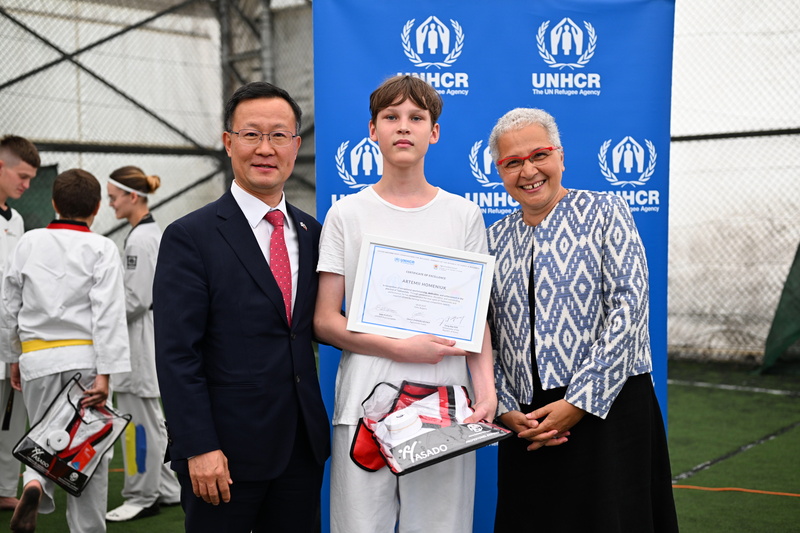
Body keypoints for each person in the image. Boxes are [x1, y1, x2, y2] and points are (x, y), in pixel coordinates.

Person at [314, 74, 497, 533]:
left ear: (433, 132)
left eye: (416, 117)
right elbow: (323, 321)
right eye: (391, 116)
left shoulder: (463, 215)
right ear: (372, 130)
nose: (403, 127)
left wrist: (487, 390)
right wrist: (400, 348)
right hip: (363, 402)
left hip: (446, 403)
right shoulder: (346, 214)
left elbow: (475, 320)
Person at [485, 107, 678, 532]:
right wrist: (503, 407)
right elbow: (485, 335)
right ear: (498, 171)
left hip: (609, 411)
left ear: (561, 156)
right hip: (529, 423)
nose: (529, 170)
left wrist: (579, 402)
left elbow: (630, 307)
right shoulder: (493, 239)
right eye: (512, 162)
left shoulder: (606, 211)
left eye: (539, 155)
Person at [153, 81, 330, 533]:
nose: (265, 149)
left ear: (296, 145)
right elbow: (177, 353)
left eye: (278, 136)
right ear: (228, 142)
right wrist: (199, 446)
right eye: (251, 135)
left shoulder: (312, 232)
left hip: (301, 449)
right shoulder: (190, 236)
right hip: (223, 455)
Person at [0, 168, 131, 533]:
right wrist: (106, 374)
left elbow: (8, 306)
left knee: (44, 434)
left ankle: (35, 483)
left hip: (37, 358)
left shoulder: (28, 242)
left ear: (55, 203)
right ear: (97, 207)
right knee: (86, 451)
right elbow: (108, 314)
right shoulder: (102, 248)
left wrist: (13, 357)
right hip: (87, 361)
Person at [104, 166, 181, 522]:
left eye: (114, 197)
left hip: (138, 342)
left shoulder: (140, 238)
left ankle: (140, 495)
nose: (110, 203)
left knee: (137, 423)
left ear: (132, 197)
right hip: (148, 337)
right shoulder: (148, 233)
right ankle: (166, 489)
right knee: (151, 421)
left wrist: (101, 319)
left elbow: (134, 299)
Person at [0, 136, 39, 513]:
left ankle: (3, 488)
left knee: (11, 420)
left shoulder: (19, 220)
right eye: (22, 176)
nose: (26, 185)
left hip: (12, 337)